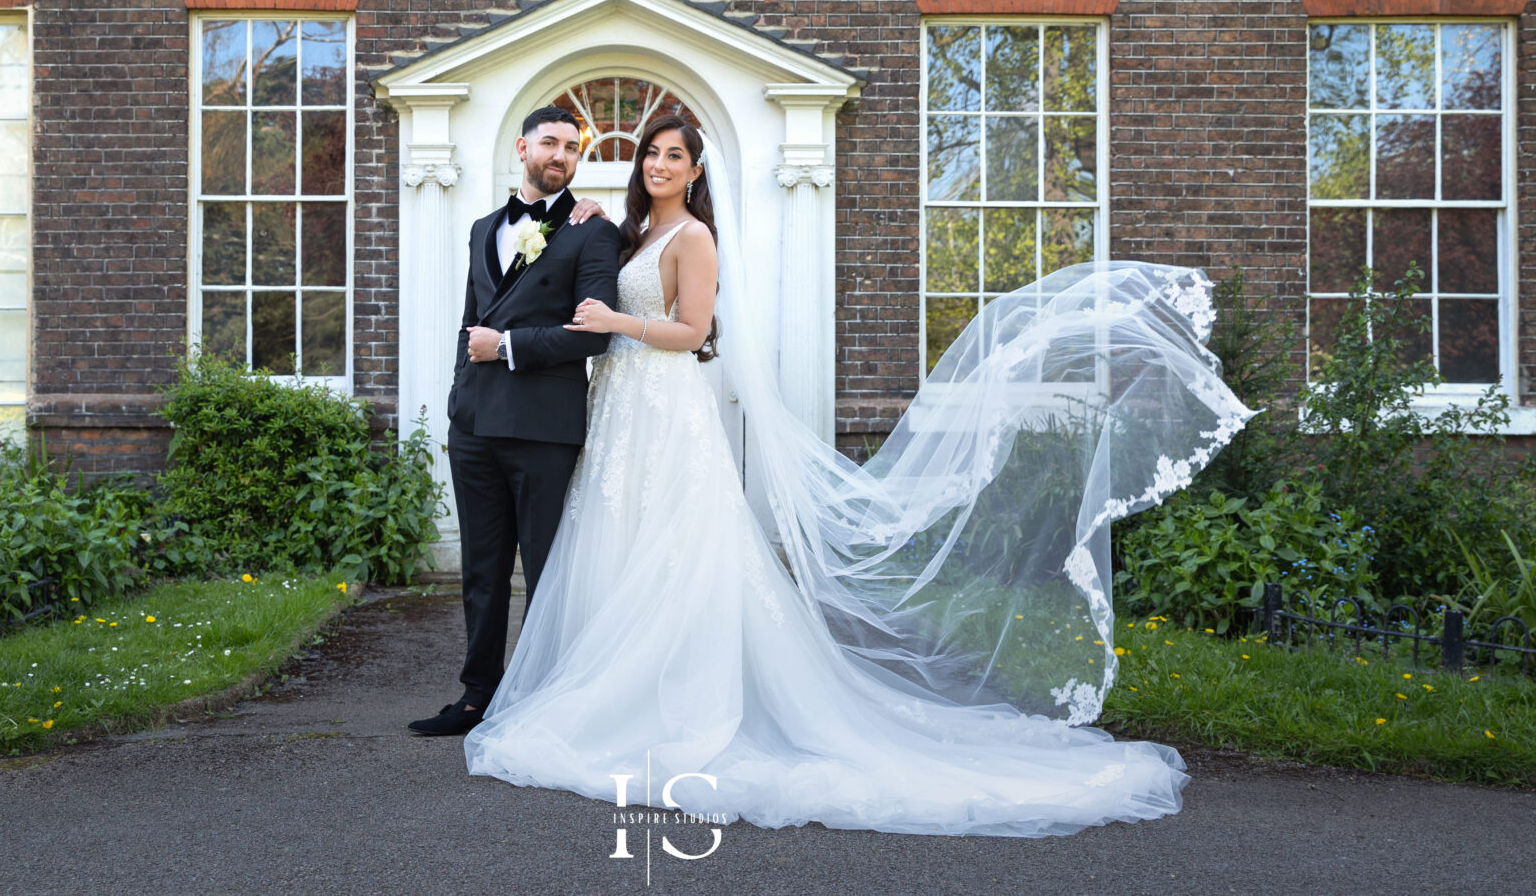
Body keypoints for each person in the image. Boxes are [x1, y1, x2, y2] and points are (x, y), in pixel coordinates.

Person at [458, 111, 1256, 837]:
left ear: (698, 170)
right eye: (651, 153)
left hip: (668, 410)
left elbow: (695, 329)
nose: (660, 163)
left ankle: (675, 703)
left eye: (675, 155)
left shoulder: (694, 239)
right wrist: (597, 233)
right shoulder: (625, 232)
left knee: (676, 552)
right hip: (620, 411)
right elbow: (593, 274)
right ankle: (611, 691)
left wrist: (618, 321)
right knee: (619, 548)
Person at [407, 105, 621, 738]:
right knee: (482, 566)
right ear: (523, 148)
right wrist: (458, 395)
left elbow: (594, 335)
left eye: (572, 148)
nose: (561, 155)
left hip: (542, 428)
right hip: (473, 425)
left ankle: (545, 697)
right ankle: (476, 697)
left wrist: (504, 347)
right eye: (550, 143)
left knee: (547, 568)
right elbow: (470, 319)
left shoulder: (592, 233)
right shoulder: (481, 228)